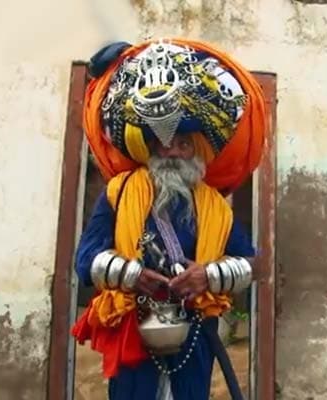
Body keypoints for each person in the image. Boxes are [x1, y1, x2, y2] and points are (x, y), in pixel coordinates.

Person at [71, 38, 268, 400]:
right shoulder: (119, 192)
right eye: (163, 142)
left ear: (197, 149)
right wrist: (133, 276)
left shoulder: (216, 207)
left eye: (183, 142)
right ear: (149, 146)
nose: (172, 151)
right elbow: (84, 261)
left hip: (195, 333)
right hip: (133, 326)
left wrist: (207, 275)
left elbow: (256, 265)